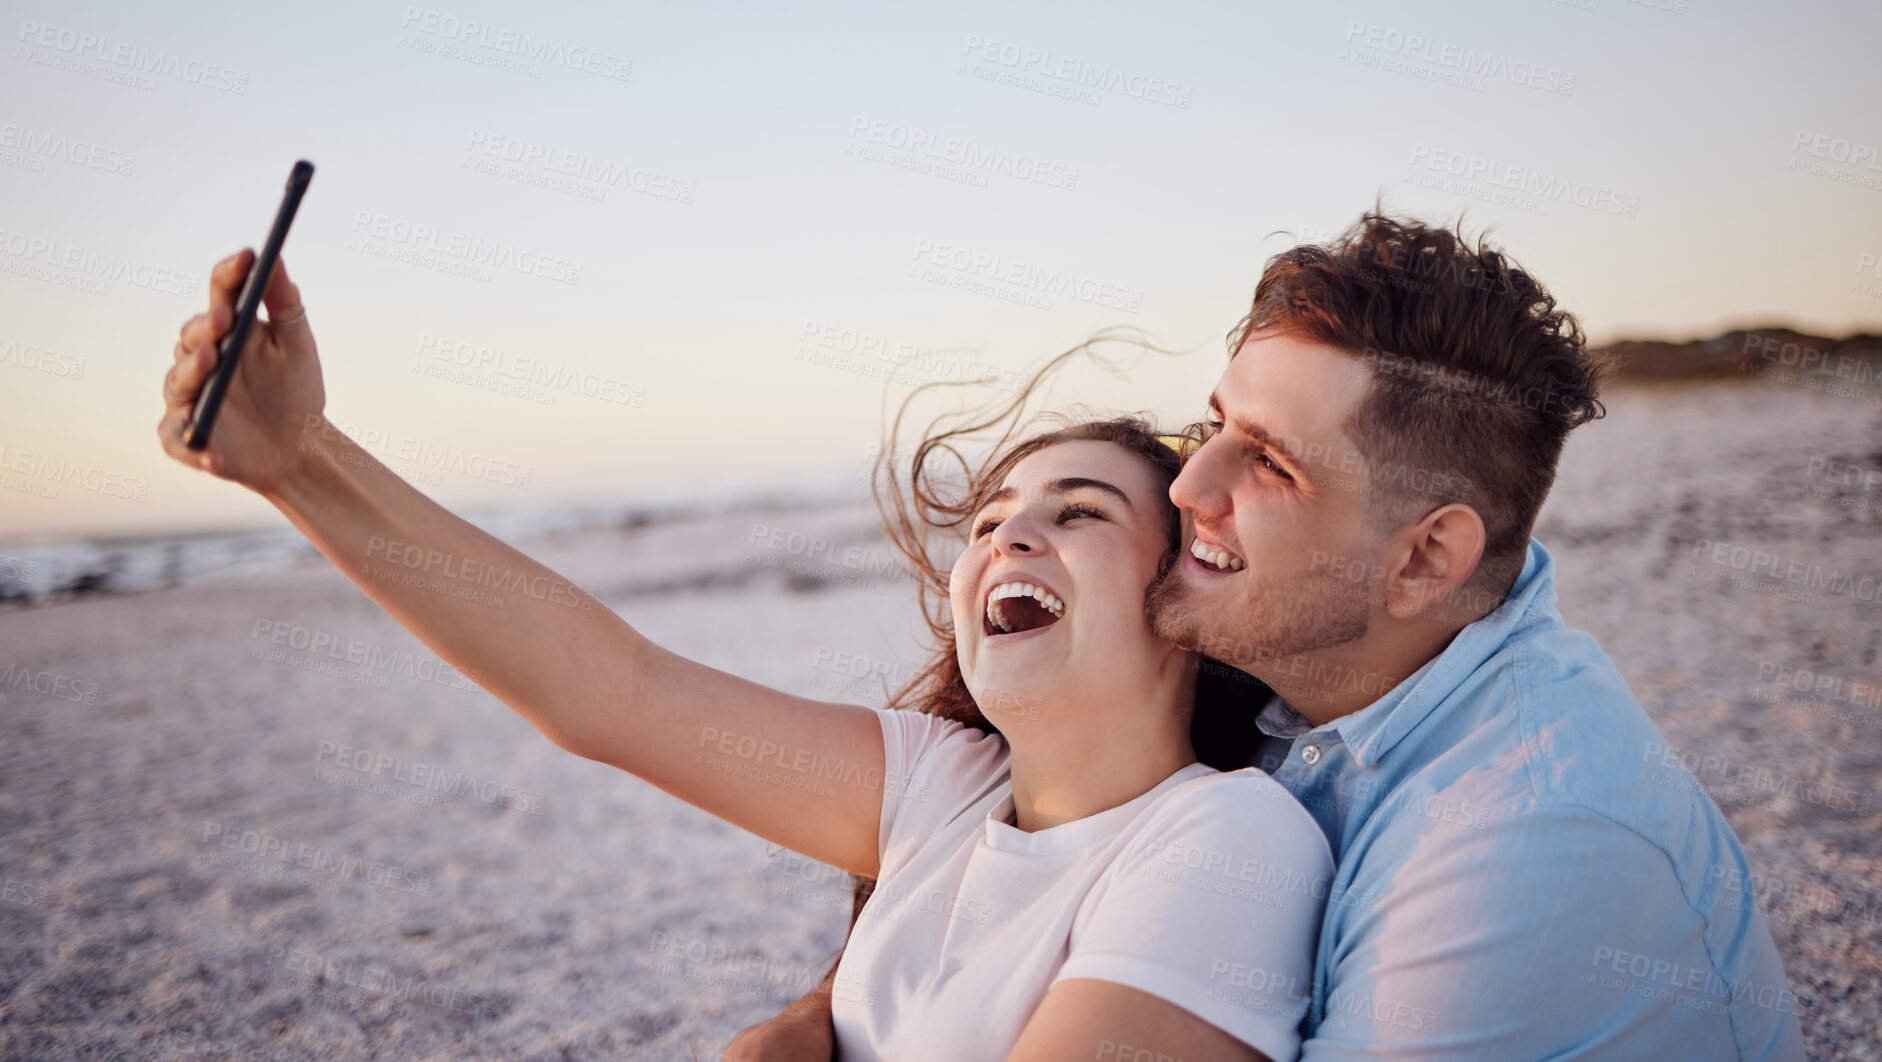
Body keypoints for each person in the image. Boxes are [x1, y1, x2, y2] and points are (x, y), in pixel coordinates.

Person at [154, 257, 1334, 1061]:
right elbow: (608, 689)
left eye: (1078, 513)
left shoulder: (1224, 838)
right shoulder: (942, 787)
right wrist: (299, 460)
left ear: (1183, 595)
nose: (1007, 538)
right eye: (985, 524)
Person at [731, 212, 1806, 1060]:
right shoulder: (1334, 669)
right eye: (1212, 427)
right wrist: (826, 1002)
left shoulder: (1516, 843)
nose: (1191, 485)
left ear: (1425, 560)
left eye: (1271, 463)